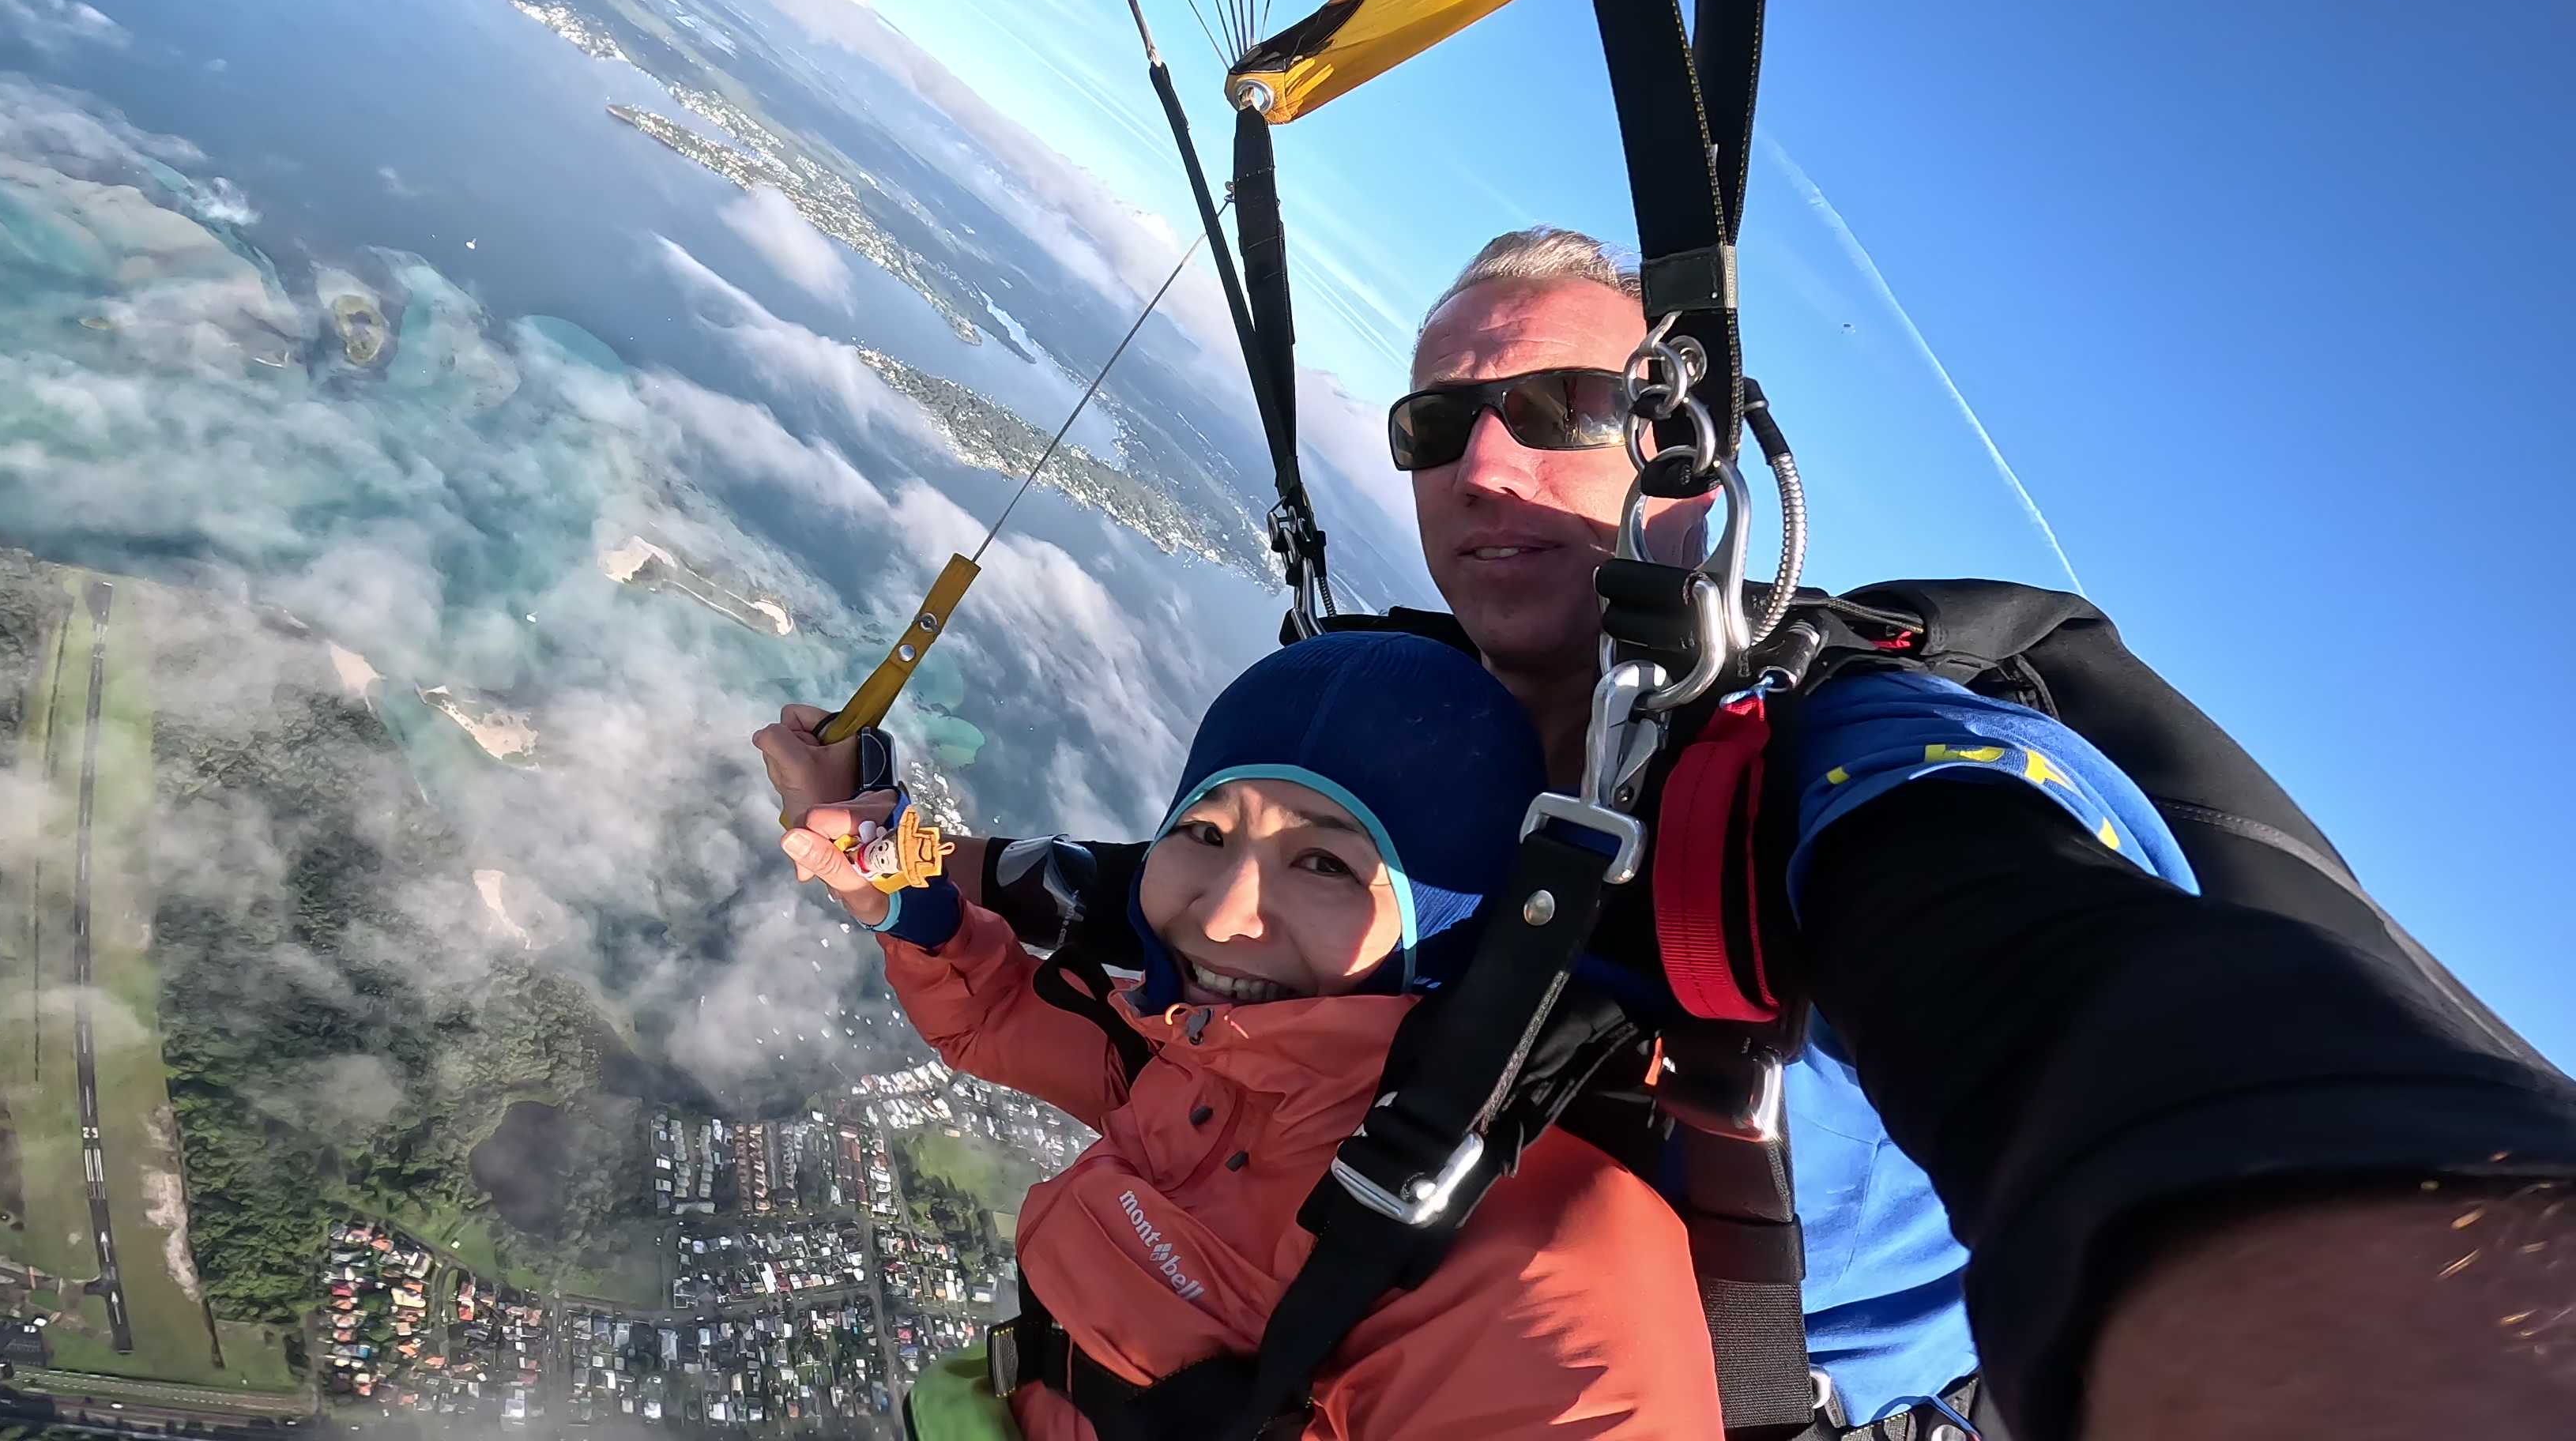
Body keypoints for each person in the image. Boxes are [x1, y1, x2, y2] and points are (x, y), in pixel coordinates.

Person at [762, 229, 2576, 1439]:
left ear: (1686, 467)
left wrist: (2292, 1250)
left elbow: (2038, 962)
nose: (1481, 465)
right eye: (1434, 421)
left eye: (1553, 412)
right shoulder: (1408, 733)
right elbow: (1145, 941)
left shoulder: (1836, 754)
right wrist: (880, 851)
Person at [783, 632, 1726, 1438]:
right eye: (1204, 832)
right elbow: (997, 1018)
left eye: (1322, 861)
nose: (1226, 914)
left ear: (1447, 925)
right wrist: (898, 898)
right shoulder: (1206, 1058)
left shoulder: (1550, 1280)